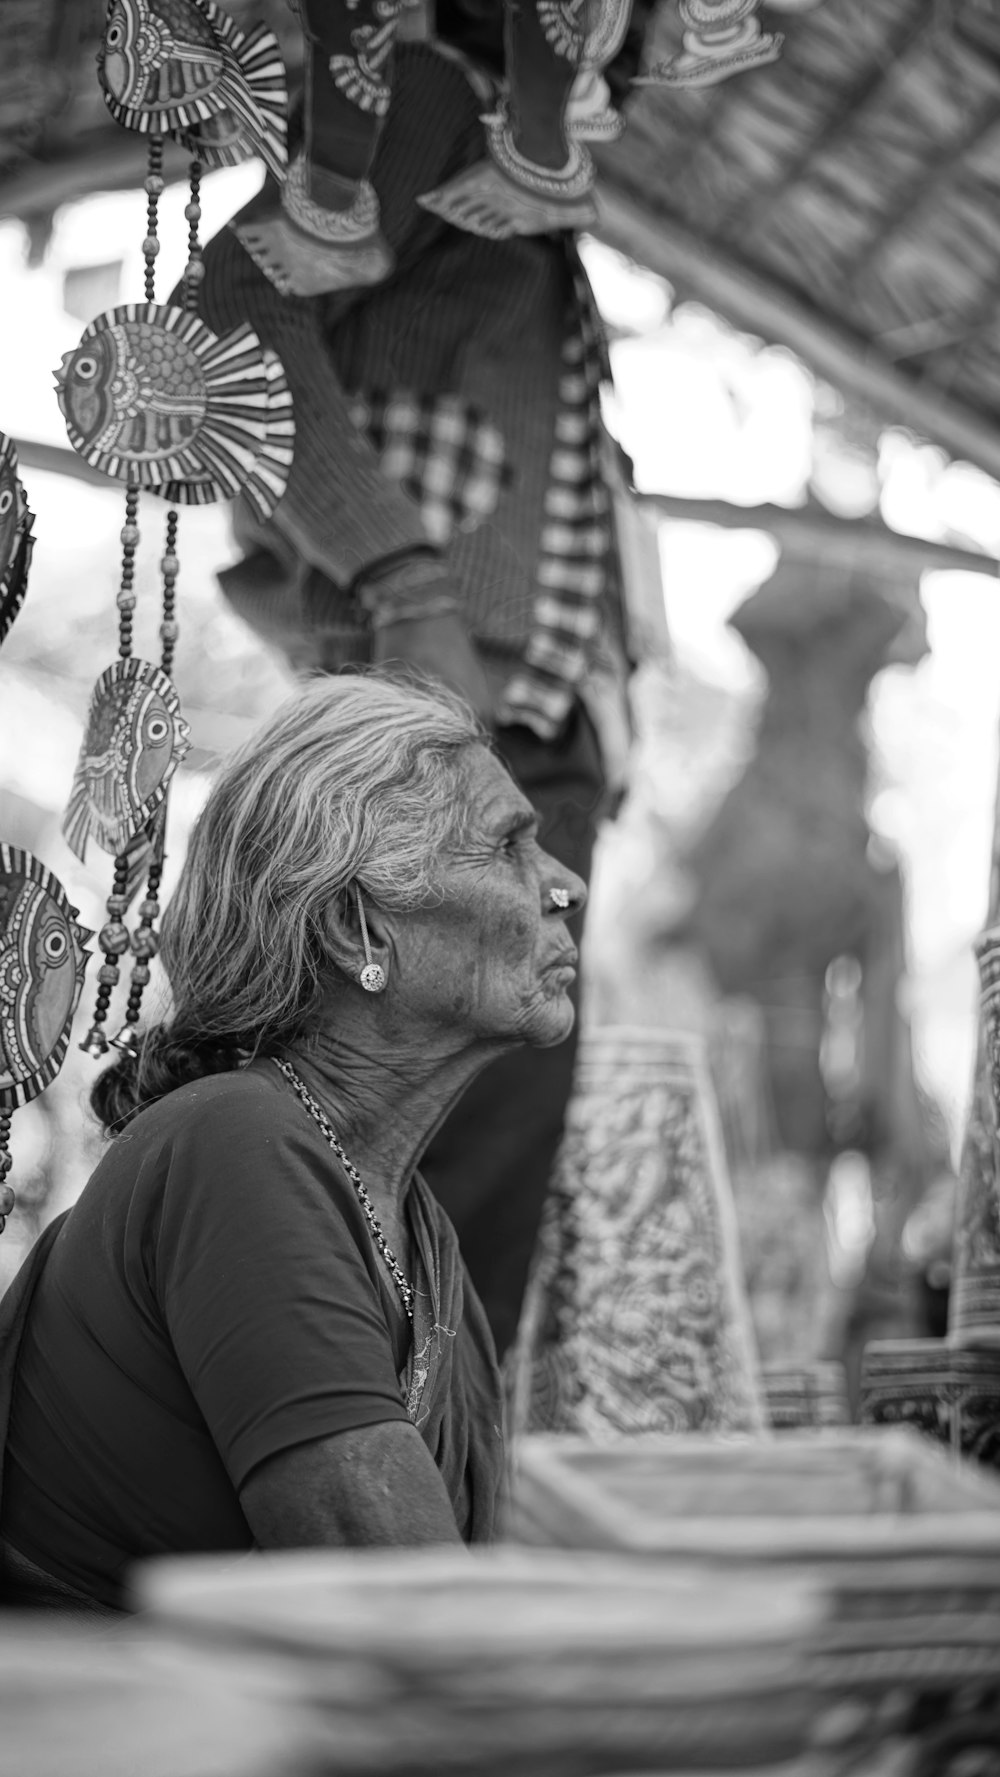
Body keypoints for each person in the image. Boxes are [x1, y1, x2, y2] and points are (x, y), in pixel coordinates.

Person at [190, 6, 657, 1356]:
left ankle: (411, 1487)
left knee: (464, 1155)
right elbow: (233, 313)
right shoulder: (437, 97)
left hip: (517, 720)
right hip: (452, 713)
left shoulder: (524, 147)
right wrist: (399, 574)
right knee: (404, 1140)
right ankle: (365, 1495)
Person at [0, 674, 585, 1613]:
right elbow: (414, 1622)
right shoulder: (236, 1144)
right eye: (508, 844)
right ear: (360, 925)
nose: (567, 883)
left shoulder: (418, 1232)